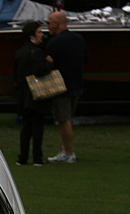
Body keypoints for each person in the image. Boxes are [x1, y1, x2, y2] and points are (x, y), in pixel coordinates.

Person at [46, 11, 88, 163]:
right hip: (77, 85)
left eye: (49, 23)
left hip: (61, 87)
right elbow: (85, 60)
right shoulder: (79, 39)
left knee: (64, 120)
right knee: (68, 118)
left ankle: (69, 152)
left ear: (56, 24)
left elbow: (49, 64)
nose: (48, 26)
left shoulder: (54, 43)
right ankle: (65, 149)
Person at [14, 21, 54, 167]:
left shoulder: (20, 52)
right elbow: (39, 70)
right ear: (32, 35)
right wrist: (48, 63)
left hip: (23, 93)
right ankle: (37, 158)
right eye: (38, 32)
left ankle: (22, 158)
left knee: (26, 127)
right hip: (35, 93)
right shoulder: (37, 52)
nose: (42, 35)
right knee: (37, 126)